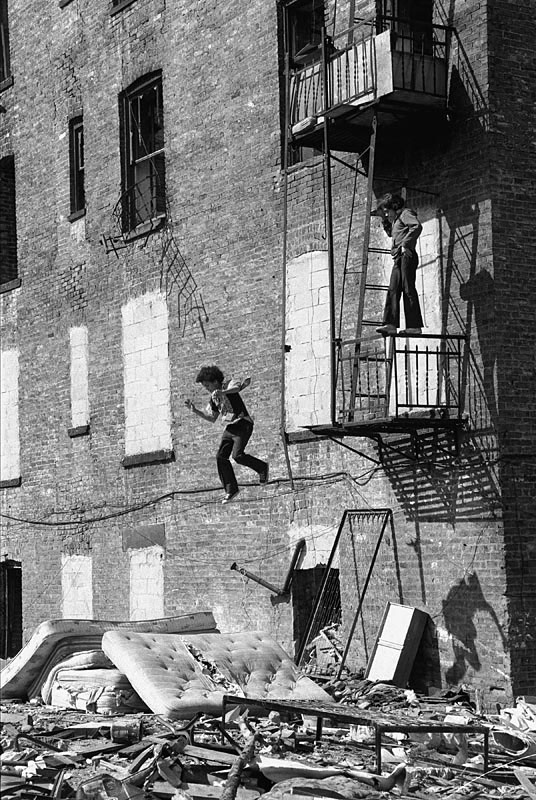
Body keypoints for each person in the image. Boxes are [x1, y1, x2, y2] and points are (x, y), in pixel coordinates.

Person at [185, 366, 269, 504]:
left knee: (237, 455)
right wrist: (195, 411)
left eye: (207, 385)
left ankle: (262, 468)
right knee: (221, 457)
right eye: (204, 386)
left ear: (216, 381)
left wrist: (223, 392)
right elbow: (212, 418)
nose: (207, 388)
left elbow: (237, 388)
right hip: (230, 428)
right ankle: (231, 489)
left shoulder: (229, 384)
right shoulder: (213, 398)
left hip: (243, 424)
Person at [373, 193, 424, 336]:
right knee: (393, 288)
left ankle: (414, 326)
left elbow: (416, 226)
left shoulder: (405, 214)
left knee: (408, 289)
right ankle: (390, 324)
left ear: (394, 208)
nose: (387, 214)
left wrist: (404, 245)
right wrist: (383, 219)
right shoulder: (395, 221)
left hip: (407, 255)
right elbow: (391, 233)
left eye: (387, 211)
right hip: (399, 258)